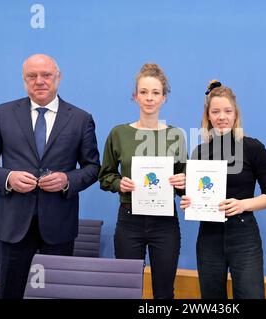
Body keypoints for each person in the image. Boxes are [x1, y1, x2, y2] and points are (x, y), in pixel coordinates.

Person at [0, 54, 100, 298]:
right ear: (24, 80)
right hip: (12, 225)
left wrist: (67, 180)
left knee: (55, 295)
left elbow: (93, 168)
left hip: (59, 226)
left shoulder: (81, 119)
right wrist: (8, 178)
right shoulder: (2, 113)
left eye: (46, 75)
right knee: (9, 294)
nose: (39, 81)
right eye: (32, 76)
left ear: (58, 78)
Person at [180, 80, 266, 299]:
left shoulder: (253, 147)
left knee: (250, 295)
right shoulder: (200, 151)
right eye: (215, 111)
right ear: (208, 116)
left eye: (227, 111)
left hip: (244, 235)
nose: (221, 116)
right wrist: (190, 201)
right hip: (209, 237)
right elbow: (196, 193)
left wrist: (243, 204)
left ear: (236, 114)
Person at [98, 63, 187, 299]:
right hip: (129, 220)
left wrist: (182, 182)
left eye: (155, 93)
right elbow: (105, 176)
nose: (149, 98)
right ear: (135, 96)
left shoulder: (175, 135)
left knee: (164, 291)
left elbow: (185, 184)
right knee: (127, 288)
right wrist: (119, 184)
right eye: (144, 92)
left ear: (164, 98)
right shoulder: (119, 133)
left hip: (165, 222)